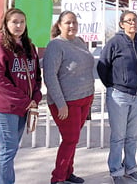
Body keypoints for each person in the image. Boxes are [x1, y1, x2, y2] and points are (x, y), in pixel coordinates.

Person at [0, 7, 42, 184]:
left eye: (22, 22)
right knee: (8, 150)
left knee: (12, 149)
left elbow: (36, 75)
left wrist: (36, 96)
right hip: (4, 108)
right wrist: (26, 101)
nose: (18, 25)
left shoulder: (29, 46)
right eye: (14, 22)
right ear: (6, 24)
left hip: (23, 107)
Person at [97, 10, 137, 184]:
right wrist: (114, 85)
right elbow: (102, 66)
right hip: (119, 96)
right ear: (121, 24)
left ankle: (131, 168)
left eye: (135, 20)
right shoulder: (114, 42)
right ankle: (116, 171)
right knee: (118, 136)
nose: (132, 23)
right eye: (128, 21)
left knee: (132, 136)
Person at [43, 11, 95, 184]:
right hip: (66, 102)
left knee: (73, 140)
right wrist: (61, 104)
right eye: (67, 23)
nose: (72, 26)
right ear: (59, 25)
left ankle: (67, 173)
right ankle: (57, 178)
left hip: (84, 98)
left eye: (74, 22)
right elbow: (50, 76)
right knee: (70, 139)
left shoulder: (80, 42)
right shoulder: (55, 46)